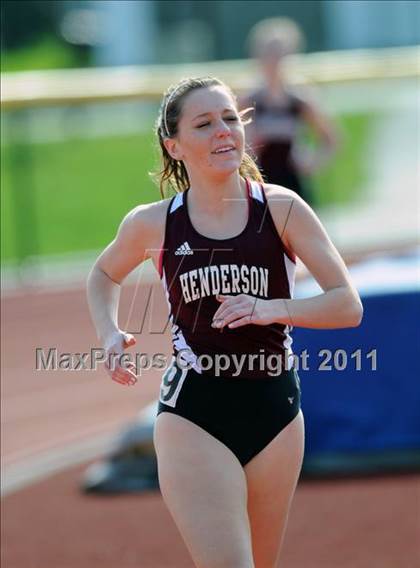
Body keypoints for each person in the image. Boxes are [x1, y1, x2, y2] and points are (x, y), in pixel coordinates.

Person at [87, 76, 363, 568]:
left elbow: (347, 304)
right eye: (205, 123)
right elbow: (104, 273)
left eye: (231, 118)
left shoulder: (281, 208)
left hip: (276, 411)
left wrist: (273, 308)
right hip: (195, 413)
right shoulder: (154, 222)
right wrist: (109, 332)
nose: (223, 132)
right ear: (174, 145)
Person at [242, 18, 338, 205]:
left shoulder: (300, 99)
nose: (274, 60)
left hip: (293, 182)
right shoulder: (250, 100)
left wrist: (311, 162)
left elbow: (330, 139)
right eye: (268, 53)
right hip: (260, 182)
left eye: (280, 53)